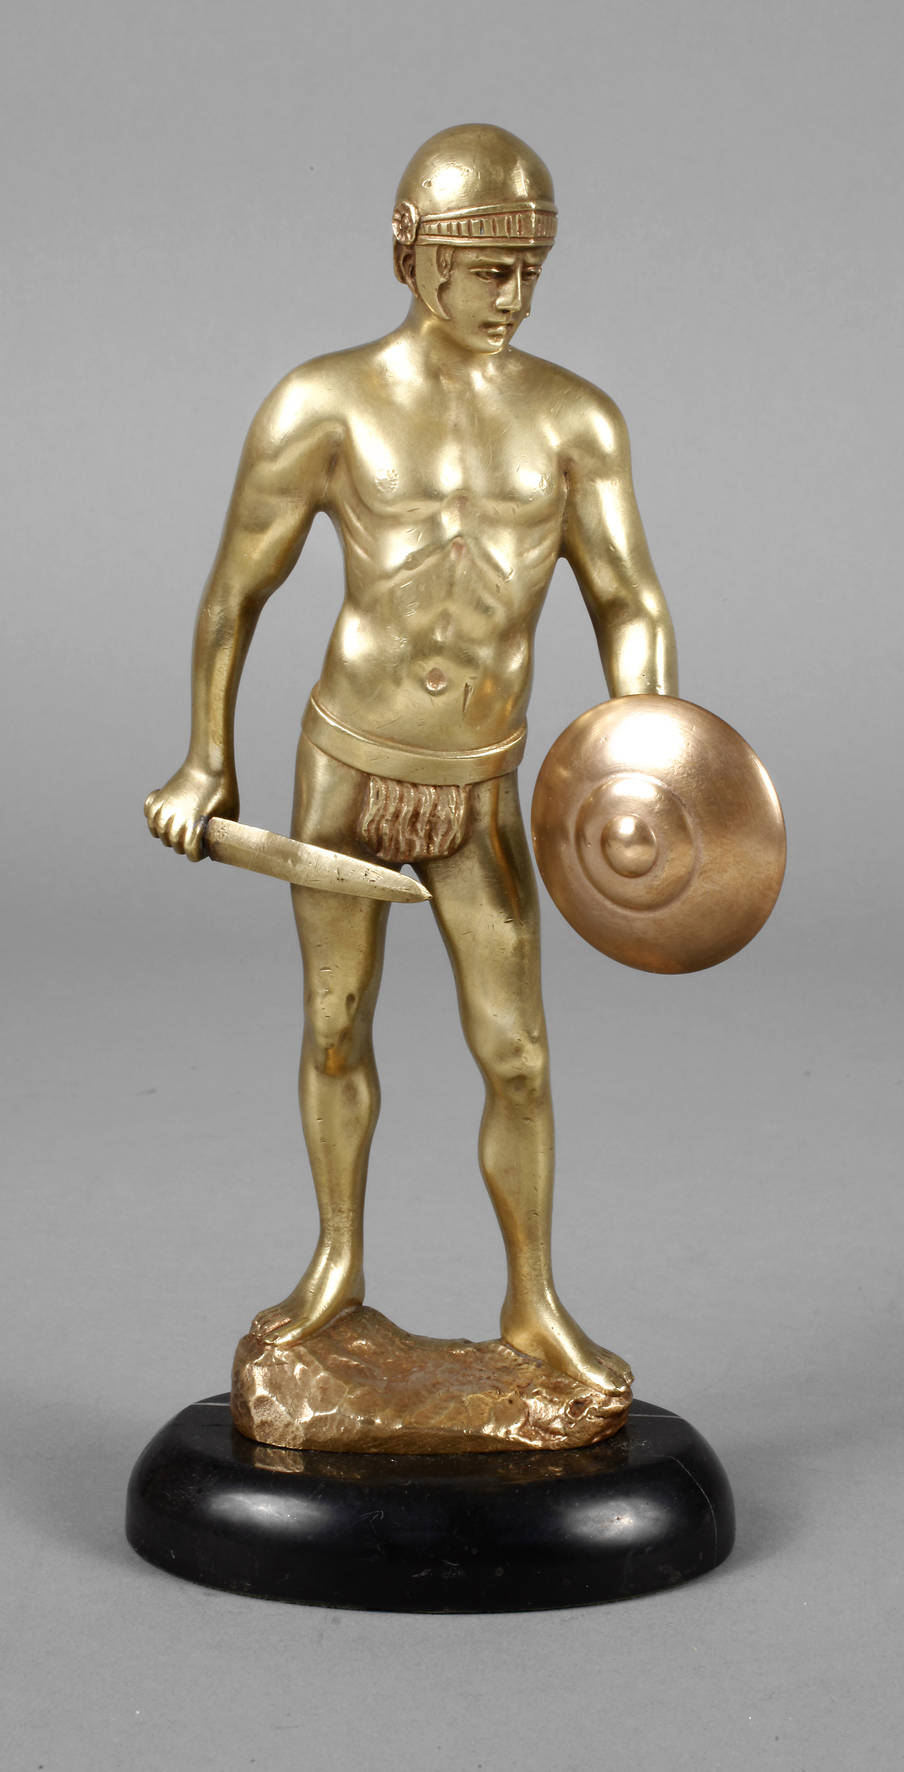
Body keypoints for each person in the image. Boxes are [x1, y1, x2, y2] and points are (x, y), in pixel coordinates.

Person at [145, 124, 678, 1394]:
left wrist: (645, 756)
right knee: (334, 1030)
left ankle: (533, 1302)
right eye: (489, 269)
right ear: (415, 257)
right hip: (345, 769)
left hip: (479, 785)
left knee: (517, 1054)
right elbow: (234, 591)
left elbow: (630, 603)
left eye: (531, 269)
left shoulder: (576, 420)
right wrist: (204, 760)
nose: (516, 295)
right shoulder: (321, 404)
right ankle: (336, 1264)